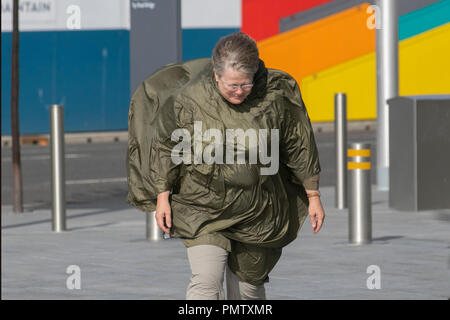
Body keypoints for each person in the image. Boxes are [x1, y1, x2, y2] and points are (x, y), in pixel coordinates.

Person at [126, 32, 325, 300]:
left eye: (246, 84)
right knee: (206, 282)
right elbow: (168, 148)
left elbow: (297, 143)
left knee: (248, 289)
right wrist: (162, 196)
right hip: (203, 206)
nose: (240, 91)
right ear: (216, 75)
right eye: (232, 85)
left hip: (258, 209)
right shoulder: (189, 100)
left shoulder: (274, 97)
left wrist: (313, 195)